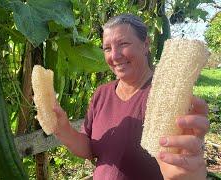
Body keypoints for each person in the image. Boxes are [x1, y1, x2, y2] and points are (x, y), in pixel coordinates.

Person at [52, 14, 209, 180]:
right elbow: (89, 149)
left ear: (146, 44)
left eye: (123, 44)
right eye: (107, 48)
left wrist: (190, 174)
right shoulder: (101, 93)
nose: (114, 56)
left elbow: (180, 162)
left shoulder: (171, 98)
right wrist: (63, 130)